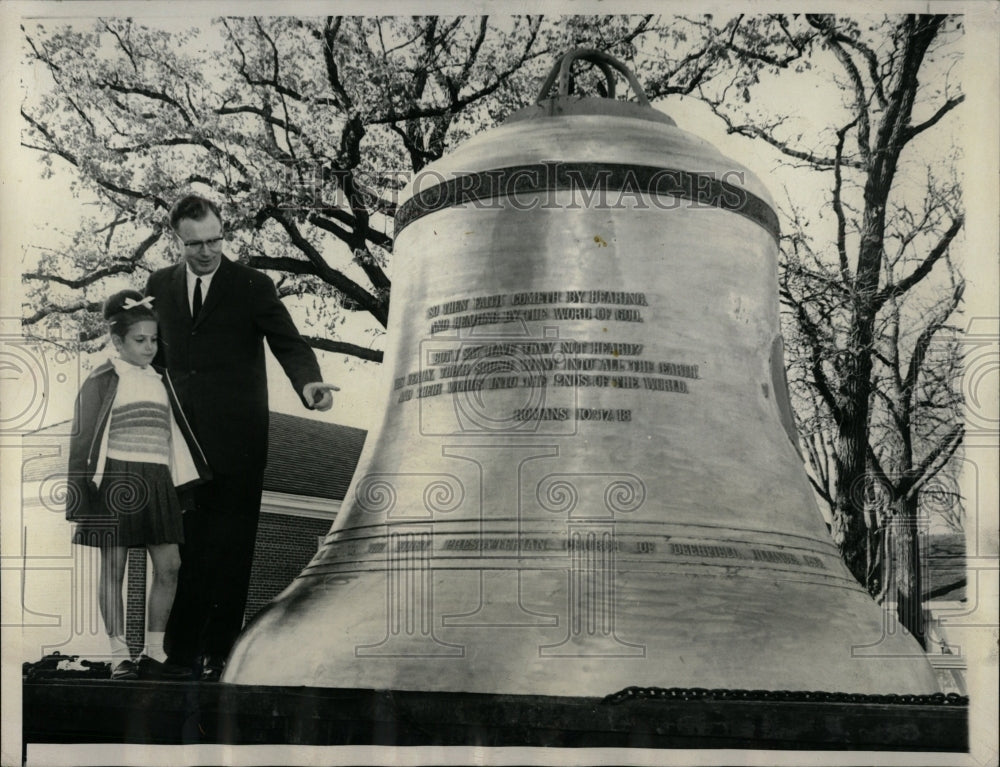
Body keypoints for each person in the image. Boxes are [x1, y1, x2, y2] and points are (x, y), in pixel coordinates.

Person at [145, 193, 337, 681]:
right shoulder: (158, 286)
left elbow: (287, 341)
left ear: (223, 234)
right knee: (186, 550)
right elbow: (151, 361)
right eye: (195, 244)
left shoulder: (252, 285)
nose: (207, 251)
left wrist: (308, 383)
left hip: (238, 443)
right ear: (178, 241)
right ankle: (180, 657)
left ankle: (219, 655)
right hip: (180, 444)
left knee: (230, 549)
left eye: (214, 240)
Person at [66, 290, 211, 680]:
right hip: (116, 478)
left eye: (153, 339)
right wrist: (81, 497)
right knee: (115, 566)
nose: (149, 347)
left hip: (158, 479)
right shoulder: (103, 379)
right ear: (117, 341)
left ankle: (154, 653)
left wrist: (182, 487)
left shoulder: (162, 380)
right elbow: (82, 440)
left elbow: (176, 436)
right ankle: (119, 656)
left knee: (170, 566)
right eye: (139, 340)